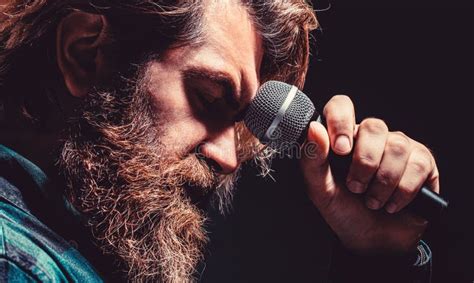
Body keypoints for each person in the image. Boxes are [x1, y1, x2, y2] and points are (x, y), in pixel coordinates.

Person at [0, 0, 438, 282]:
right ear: (85, 54)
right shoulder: (20, 266)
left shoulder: (82, 251)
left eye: (240, 122)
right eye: (208, 98)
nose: (229, 158)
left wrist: (376, 255)